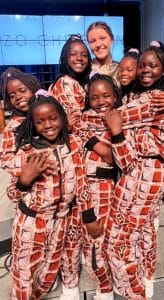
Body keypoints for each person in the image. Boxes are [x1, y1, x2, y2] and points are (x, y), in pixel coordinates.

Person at [102, 41, 164, 300]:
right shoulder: (139, 95)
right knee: (143, 235)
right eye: (142, 65)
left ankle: (135, 294)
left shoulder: (154, 98)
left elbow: (111, 117)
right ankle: (144, 282)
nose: (144, 70)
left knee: (116, 243)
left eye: (152, 66)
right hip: (144, 172)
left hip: (142, 174)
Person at [6, 94, 92, 300]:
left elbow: (82, 183)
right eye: (40, 121)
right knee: (24, 272)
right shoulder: (26, 152)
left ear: (62, 117)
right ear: (32, 124)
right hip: (31, 223)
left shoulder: (73, 144)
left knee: (49, 270)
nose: (48, 125)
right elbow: (12, 194)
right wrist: (24, 180)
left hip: (61, 222)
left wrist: (89, 216)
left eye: (53, 118)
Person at [49, 34, 92, 299]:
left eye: (83, 55)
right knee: (71, 225)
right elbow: (77, 126)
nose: (79, 58)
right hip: (72, 161)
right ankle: (70, 282)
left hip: (75, 158)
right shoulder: (66, 83)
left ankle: (66, 275)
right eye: (74, 54)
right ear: (65, 58)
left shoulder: (79, 83)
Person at [78, 73, 121, 300]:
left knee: (109, 242)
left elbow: (123, 157)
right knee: (93, 243)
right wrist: (98, 146)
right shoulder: (83, 120)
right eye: (95, 97)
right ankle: (103, 288)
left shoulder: (121, 118)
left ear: (115, 96)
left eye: (106, 95)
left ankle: (113, 282)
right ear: (88, 99)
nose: (101, 101)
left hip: (113, 191)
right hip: (90, 191)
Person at [0, 67, 43, 170]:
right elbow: (5, 160)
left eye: (23, 90)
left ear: (34, 90)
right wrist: (29, 161)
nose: (18, 97)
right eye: (12, 95)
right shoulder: (13, 127)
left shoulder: (45, 115)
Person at [86, 21, 119, 86]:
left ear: (112, 39)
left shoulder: (121, 69)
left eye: (102, 38)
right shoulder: (85, 71)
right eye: (92, 41)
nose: (98, 44)